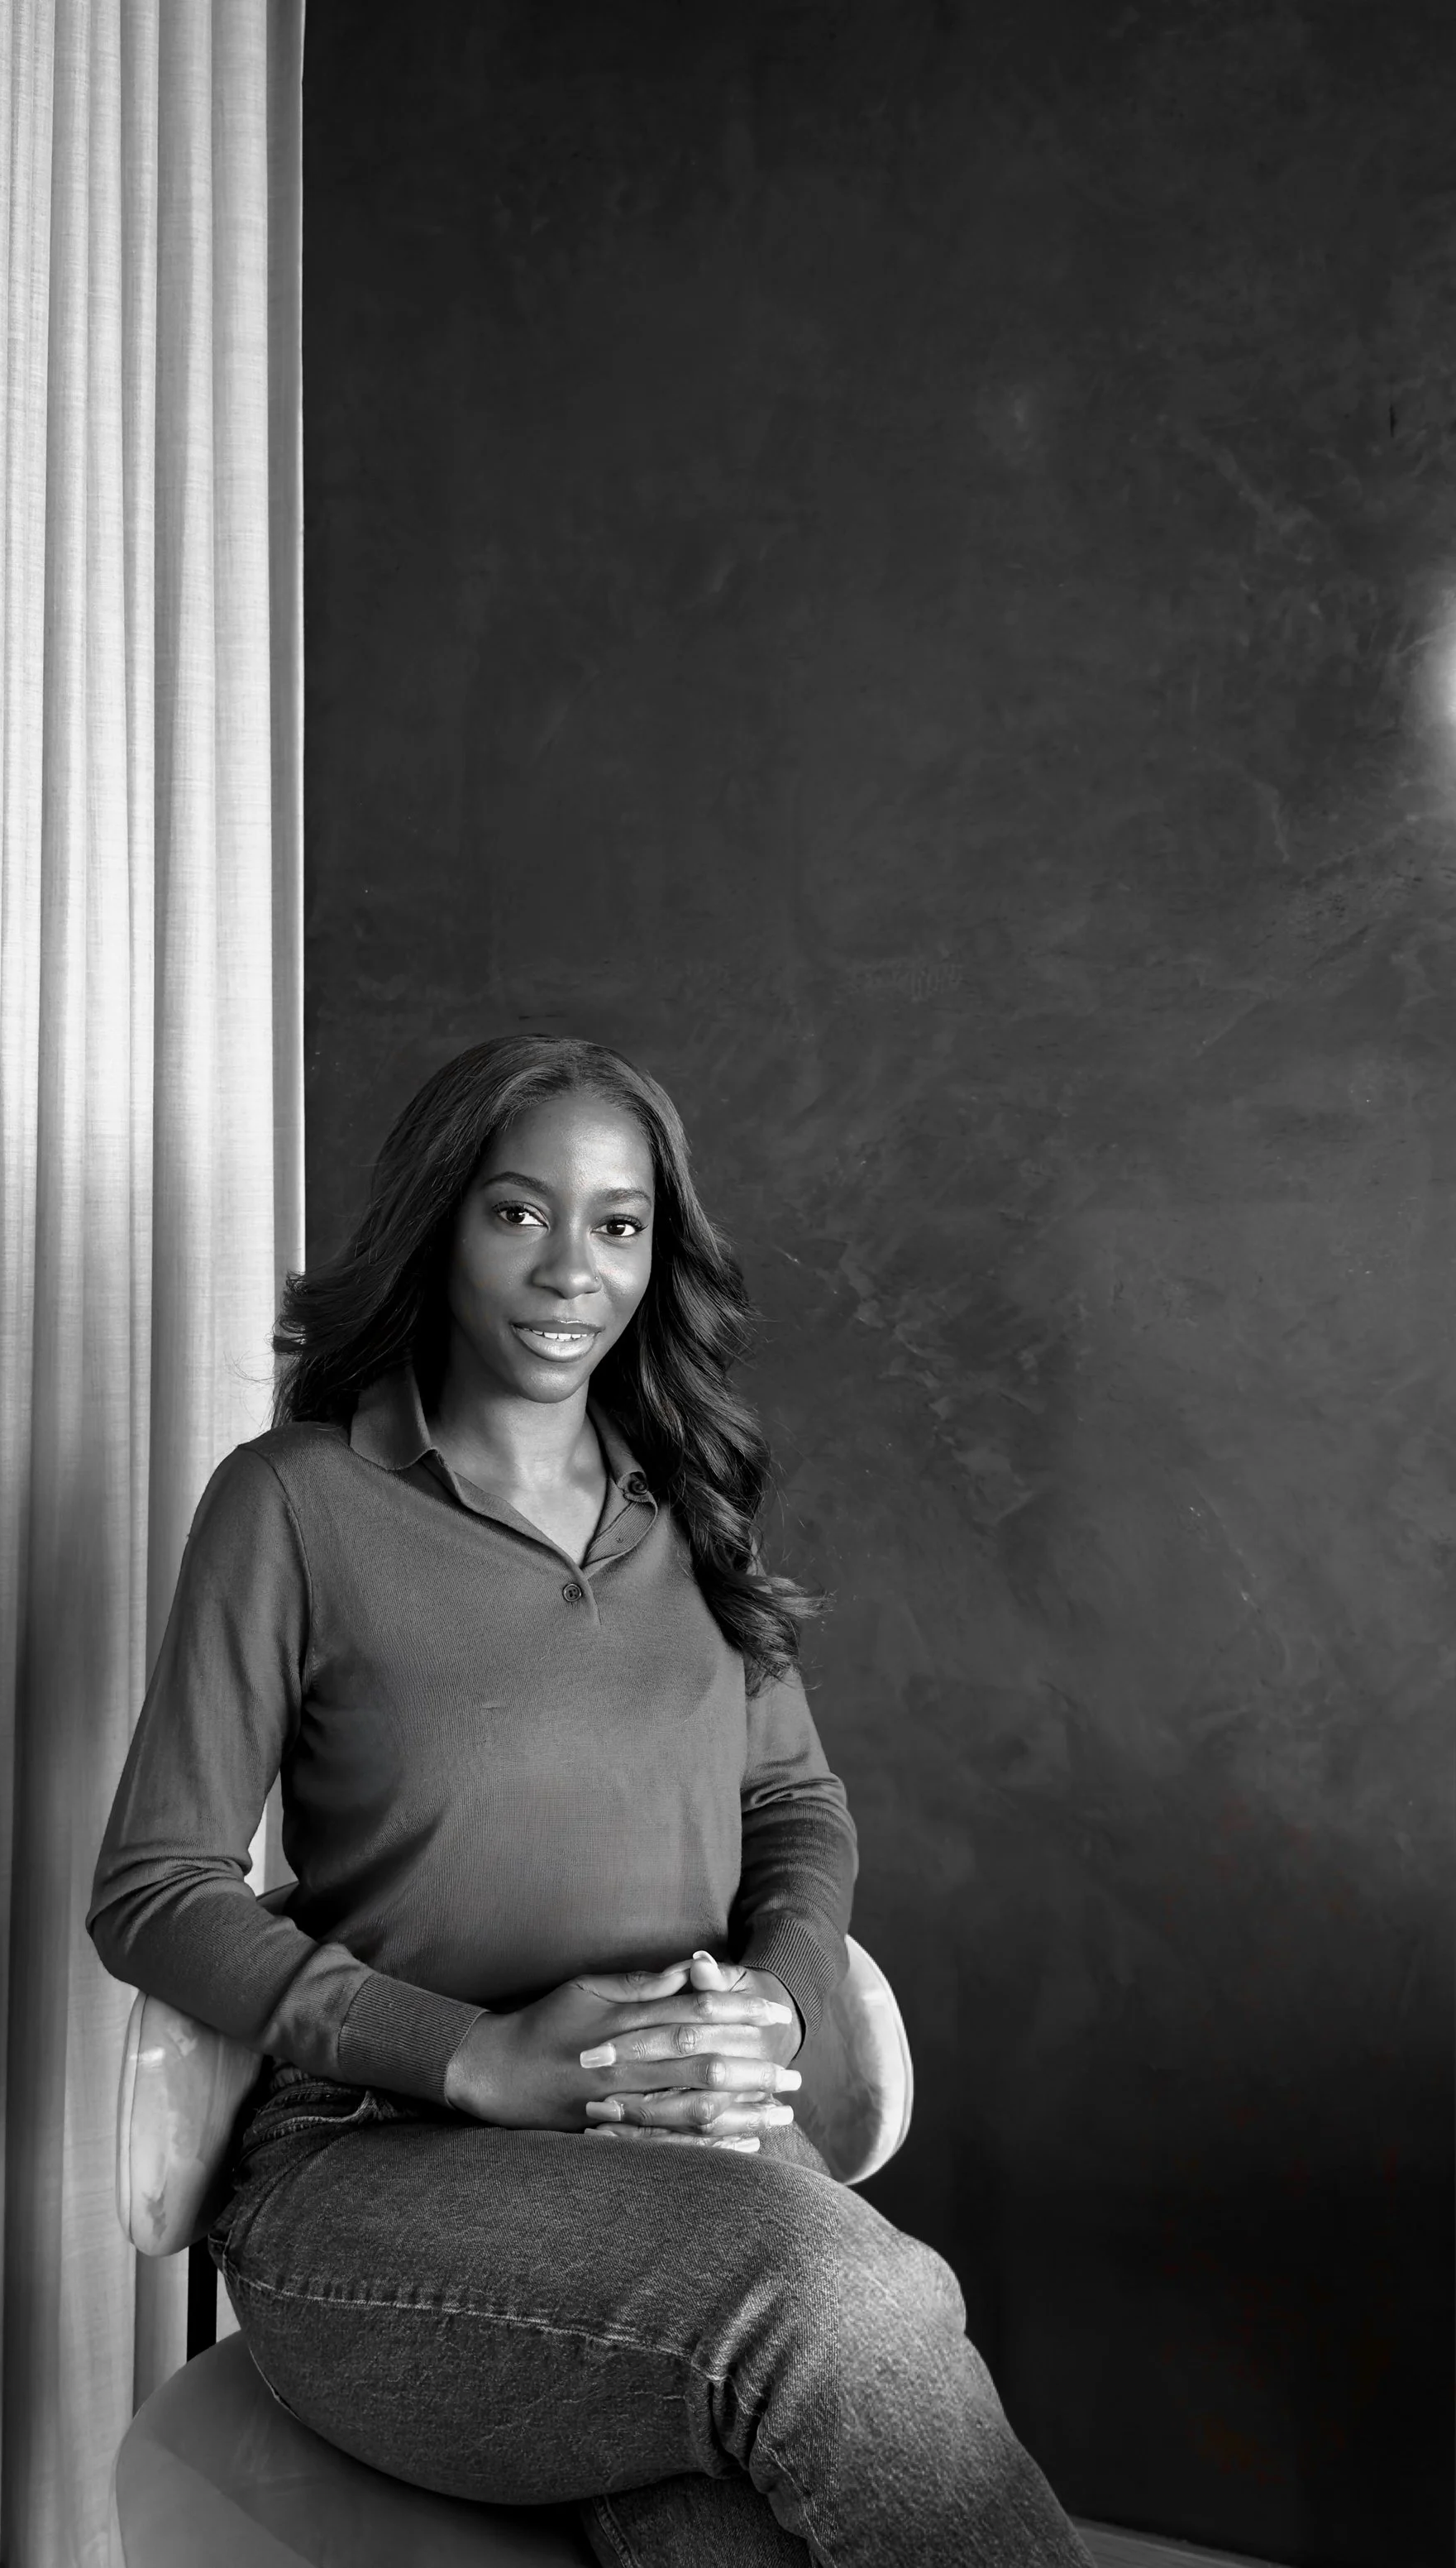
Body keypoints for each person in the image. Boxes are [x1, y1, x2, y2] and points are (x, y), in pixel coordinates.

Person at [88, 1034, 1090, 2568]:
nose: (573, 1271)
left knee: (750, 2517)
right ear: (439, 1227)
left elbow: (796, 1805)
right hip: (379, 2170)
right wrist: (476, 2057)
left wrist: (780, 2006)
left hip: (693, 2163)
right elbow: (155, 1889)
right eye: (519, 1213)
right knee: (845, 2296)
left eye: (619, 1225)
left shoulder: (689, 1500)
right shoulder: (292, 1502)